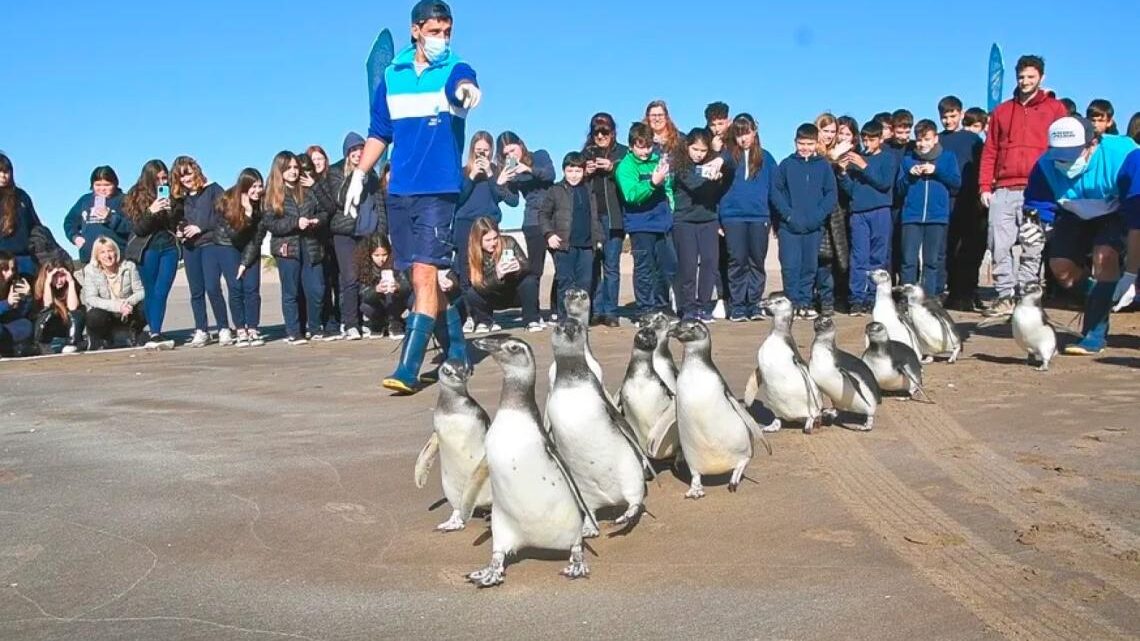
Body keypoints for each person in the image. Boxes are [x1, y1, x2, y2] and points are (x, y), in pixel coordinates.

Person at [347, 1, 479, 389]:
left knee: (424, 275)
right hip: (400, 189)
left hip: (439, 189)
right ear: (416, 31)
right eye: (435, 31)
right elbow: (379, 132)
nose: (442, 39)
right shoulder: (391, 76)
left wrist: (467, 91)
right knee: (417, 274)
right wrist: (359, 174)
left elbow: (464, 83)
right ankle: (456, 347)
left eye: (447, 32)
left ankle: (408, 366)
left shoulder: (455, 68)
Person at [1023, 116, 1140, 355]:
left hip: (1116, 209)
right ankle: (1101, 296)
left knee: (1104, 256)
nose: (1065, 161)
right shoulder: (1045, 165)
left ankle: (1094, 333)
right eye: (1059, 154)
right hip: (1073, 211)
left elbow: (1137, 222)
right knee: (1061, 270)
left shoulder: (1126, 156)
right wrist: (1035, 227)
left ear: (1093, 143)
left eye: (1073, 153)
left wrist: (1130, 275)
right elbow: (1038, 205)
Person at [978, 54, 1067, 316]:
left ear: (1041, 77)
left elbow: (1062, 150)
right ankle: (1005, 296)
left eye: (1031, 77)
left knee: (1032, 247)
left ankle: (1026, 298)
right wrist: (984, 186)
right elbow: (990, 150)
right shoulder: (1002, 111)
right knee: (998, 245)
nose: (1025, 81)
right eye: (1021, 77)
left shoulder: (1055, 109)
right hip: (1003, 189)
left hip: (1038, 190)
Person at [318, 132, 384, 341]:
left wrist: (382, 231)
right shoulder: (337, 171)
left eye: (361, 149)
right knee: (349, 279)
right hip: (345, 233)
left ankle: (368, 320)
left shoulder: (372, 174)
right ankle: (350, 323)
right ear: (347, 153)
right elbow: (339, 199)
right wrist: (355, 175)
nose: (358, 153)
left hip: (368, 231)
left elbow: (379, 203)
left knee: (369, 278)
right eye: (353, 150)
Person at [771, 123, 837, 319]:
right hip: (789, 227)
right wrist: (789, 215)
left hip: (814, 227)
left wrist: (818, 217)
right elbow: (776, 193)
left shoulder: (823, 166)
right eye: (802, 143)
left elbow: (831, 194)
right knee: (791, 266)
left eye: (809, 144)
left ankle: (805, 303)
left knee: (809, 267)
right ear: (795, 142)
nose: (805, 148)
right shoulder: (786, 165)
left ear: (816, 143)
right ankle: (791, 303)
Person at [719, 114, 776, 321]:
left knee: (756, 261)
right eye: (739, 134)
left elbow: (774, 190)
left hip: (759, 217)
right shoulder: (727, 157)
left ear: (755, 132)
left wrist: (775, 219)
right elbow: (717, 189)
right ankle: (738, 306)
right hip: (732, 217)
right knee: (737, 261)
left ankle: (753, 304)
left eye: (747, 133)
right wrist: (719, 218)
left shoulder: (766, 158)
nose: (743, 138)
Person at [616, 122, 677, 317]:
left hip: (662, 223)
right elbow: (631, 195)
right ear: (632, 145)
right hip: (640, 225)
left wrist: (671, 208)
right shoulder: (625, 167)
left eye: (648, 146)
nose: (645, 151)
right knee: (644, 268)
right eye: (640, 146)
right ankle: (646, 310)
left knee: (664, 268)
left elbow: (668, 188)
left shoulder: (658, 160)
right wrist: (652, 183)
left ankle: (662, 307)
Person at [265, 151, 326, 344]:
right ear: (280, 170)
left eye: (295, 167)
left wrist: (318, 221)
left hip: (310, 244)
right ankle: (294, 331)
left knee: (316, 289)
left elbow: (326, 210)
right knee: (291, 292)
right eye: (288, 167)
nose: (293, 171)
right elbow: (271, 224)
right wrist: (294, 223)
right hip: (287, 247)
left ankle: (315, 327)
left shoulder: (307, 190)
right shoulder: (273, 194)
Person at [898, 119, 962, 298]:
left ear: (935, 139)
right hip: (912, 216)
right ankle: (907, 298)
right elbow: (899, 189)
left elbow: (956, 183)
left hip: (937, 216)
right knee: (908, 261)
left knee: (932, 261)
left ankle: (930, 298)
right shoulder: (908, 160)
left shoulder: (947, 157)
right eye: (919, 139)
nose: (922, 143)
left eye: (926, 139)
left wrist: (937, 171)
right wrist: (910, 176)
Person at [170, 155, 229, 346]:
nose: (186, 179)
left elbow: (225, 216)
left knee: (213, 287)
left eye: (188, 173)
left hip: (210, 244)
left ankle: (223, 328)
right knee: (196, 291)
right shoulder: (181, 199)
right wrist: (179, 231)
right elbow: (177, 221)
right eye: (181, 176)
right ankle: (201, 329)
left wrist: (201, 227)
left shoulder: (213, 189)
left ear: (196, 170)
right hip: (190, 248)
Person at [498, 131, 557, 318]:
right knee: (535, 269)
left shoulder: (539, 155)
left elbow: (550, 175)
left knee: (562, 266)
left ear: (521, 145)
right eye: (506, 154)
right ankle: (533, 312)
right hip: (533, 221)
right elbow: (513, 201)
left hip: (555, 217)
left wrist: (528, 169)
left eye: (512, 150)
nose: (510, 156)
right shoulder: (511, 172)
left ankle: (557, 309)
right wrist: (502, 185)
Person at [839, 120, 895, 315]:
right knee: (858, 256)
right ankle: (856, 298)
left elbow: (884, 183)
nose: (867, 143)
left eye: (872, 140)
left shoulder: (888, 158)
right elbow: (852, 190)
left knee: (878, 256)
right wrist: (843, 173)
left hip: (880, 210)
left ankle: (873, 296)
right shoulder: (857, 158)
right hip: (859, 213)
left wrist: (864, 166)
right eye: (865, 139)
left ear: (880, 139)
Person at [671, 127, 727, 321]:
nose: (698, 154)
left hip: (709, 220)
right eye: (695, 149)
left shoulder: (715, 163)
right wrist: (712, 179)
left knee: (710, 263)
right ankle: (687, 306)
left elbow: (732, 164)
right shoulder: (680, 166)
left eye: (703, 151)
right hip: (684, 221)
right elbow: (695, 186)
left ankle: (703, 305)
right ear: (687, 147)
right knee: (687, 266)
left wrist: (719, 158)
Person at [122, 160, 178, 349]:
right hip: (148, 249)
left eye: (165, 178)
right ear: (149, 179)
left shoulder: (172, 194)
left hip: (169, 248)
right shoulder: (135, 195)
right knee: (151, 290)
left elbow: (174, 223)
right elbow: (138, 229)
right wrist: (151, 211)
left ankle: (155, 332)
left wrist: (171, 212)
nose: (162, 182)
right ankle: (154, 332)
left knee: (162, 290)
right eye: (158, 179)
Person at [540, 152, 602, 319]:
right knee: (565, 284)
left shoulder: (589, 190)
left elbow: (594, 216)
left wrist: (598, 238)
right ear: (564, 171)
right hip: (564, 245)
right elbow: (543, 214)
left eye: (577, 171)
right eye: (570, 171)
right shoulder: (556, 190)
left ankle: (581, 320)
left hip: (587, 246)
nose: (574, 175)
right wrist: (549, 234)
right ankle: (563, 319)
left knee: (585, 285)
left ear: (583, 171)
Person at [938, 96, 987, 310]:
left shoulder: (972, 139)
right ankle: (953, 292)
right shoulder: (938, 140)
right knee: (947, 249)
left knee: (969, 250)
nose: (948, 121)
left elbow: (981, 167)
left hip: (969, 201)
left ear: (961, 114)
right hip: (944, 201)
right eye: (944, 117)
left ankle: (967, 293)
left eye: (952, 116)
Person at [455, 130, 515, 302]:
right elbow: (458, 199)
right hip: (465, 223)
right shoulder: (463, 171)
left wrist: (490, 175)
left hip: (489, 224)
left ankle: (485, 314)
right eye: (478, 150)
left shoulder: (497, 171)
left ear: (491, 151)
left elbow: (504, 198)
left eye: (486, 150)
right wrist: (472, 175)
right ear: (472, 149)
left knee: (488, 267)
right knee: (466, 268)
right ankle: (468, 313)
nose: (482, 153)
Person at [583, 113, 627, 327]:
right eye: (596, 131)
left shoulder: (623, 152)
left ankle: (611, 312)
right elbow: (570, 177)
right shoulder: (585, 153)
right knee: (593, 265)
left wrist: (613, 168)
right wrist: (585, 171)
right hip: (591, 218)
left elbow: (630, 175)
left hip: (614, 216)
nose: (600, 136)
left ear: (613, 132)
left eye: (605, 131)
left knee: (611, 265)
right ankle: (595, 310)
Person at [216, 168, 267, 347]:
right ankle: (240, 329)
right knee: (236, 287)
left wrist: (245, 263)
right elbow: (235, 236)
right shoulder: (227, 201)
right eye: (253, 186)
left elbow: (256, 239)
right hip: (227, 245)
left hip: (250, 247)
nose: (257, 190)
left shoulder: (263, 204)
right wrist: (246, 214)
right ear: (243, 187)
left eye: (260, 186)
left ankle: (252, 328)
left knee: (252, 287)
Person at [463, 217, 542, 332]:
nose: (493, 243)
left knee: (530, 280)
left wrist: (519, 267)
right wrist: (497, 274)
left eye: (495, 238)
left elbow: (527, 267)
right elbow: (478, 285)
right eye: (488, 240)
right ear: (477, 240)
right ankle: (486, 321)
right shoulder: (471, 254)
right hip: (492, 297)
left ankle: (531, 320)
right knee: (471, 293)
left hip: (514, 293)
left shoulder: (509, 242)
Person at [815, 112, 851, 317]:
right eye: (825, 131)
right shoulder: (815, 153)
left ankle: (831, 298)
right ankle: (821, 298)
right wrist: (831, 159)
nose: (829, 135)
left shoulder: (840, 153)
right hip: (818, 211)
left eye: (832, 131)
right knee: (819, 258)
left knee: (834, 259)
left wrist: (842, 168)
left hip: (837, 213)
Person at [81, 237, 147, 350]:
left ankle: (135, 332)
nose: (107, 255)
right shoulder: (90, 270)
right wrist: (117, 306)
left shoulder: (129, 266)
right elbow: (91, 298)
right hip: (107, 313)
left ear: (116, 251)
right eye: (102, 252)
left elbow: (141, 291)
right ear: (97, 256)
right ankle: (101, 338)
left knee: (146, 306)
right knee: (94, 315)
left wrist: (128, 303)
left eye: (110, 251)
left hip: (127, 311)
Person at [63, 166, 131, 265]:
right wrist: (75, 237)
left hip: (118, 260)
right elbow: (69, 221)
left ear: (115, 184)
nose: (102, 189)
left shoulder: (124, 200)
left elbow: (132, 227)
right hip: (90, 260)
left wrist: (111, 218)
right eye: (98, 185)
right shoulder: (85, 200)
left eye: (107, 185)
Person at [704, 103, 733, 316]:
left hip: (733, 205)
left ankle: (736, 298)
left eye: (720, 123)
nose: (717, 128)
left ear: (728, 121)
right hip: (712, 205)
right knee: (715, 257)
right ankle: (722, 297)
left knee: (735, 256)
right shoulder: (704, 141)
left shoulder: (736, 141)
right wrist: (713, 151)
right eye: (713, 124)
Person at [357, 232, 411, 339]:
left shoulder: (396, 263)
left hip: (395, 302)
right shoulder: (364, 267)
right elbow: (363, 294)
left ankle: (395, 323)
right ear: (369, 254)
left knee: (391, 293)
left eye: (384, 254)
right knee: (365, 305)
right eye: (376, 255)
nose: (381, 259)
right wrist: (376, 290)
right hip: (376, 305)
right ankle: (378, 323)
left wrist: (398, 286)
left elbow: (408, 287)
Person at [0, 153, 43, 278]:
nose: (3, 175)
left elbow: (35, 225)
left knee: (26, 295)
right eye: (0, 171)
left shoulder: (21, 196)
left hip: (24, 258)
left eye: (6, 171)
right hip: (1, 259)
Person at [33, 259, 84, 354]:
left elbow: (73, 308)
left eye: (62, 276)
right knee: (48, 313)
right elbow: (47, 306)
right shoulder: (40, 288)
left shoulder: (70, 286)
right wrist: (47, 283)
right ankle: (40, 344)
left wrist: (71, 283)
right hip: (49, 328)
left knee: (77, 314)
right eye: (55, 276)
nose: (59, 280)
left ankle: (72, 343)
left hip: (65, 325)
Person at [0, 251, 34, 356]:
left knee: (25, 325)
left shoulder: (13, 283)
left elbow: (19, 314)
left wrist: (27, 297)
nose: (10, 273)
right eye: (5, 269)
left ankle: (8, 348)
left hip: (5, 325)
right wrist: (7, 303)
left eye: (12, 269)